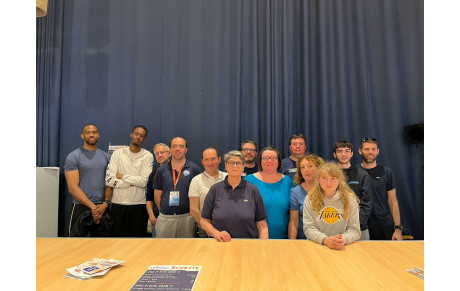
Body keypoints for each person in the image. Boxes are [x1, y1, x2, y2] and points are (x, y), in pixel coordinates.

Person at [200, 151, 268, 241]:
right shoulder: (215, 189)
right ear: (226, 165)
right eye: (231, 163)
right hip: (220, 244)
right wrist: (216, 233)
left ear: (243, 166)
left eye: (238, 163)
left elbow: (262, 225)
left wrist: (263, 246)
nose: (235, 166)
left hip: (248, 245)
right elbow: (204, 221)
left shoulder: (253, 190)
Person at [105, 125, 153, 237]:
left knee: (138, 243)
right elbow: (109, 180)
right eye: (136, 134)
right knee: (117, 242)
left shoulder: (148, 156)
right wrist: (131, 183)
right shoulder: (118, 154)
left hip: (139, 206)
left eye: (142, 136)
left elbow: (144, 182)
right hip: (118, 205)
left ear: (144, 139)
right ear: (131, 135)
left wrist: (122, 176)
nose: (138, 137)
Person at [64, 124, 112, 237]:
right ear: (82, 135)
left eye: (94, 132)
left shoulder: (106, 157)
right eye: (88, 132)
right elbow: (73, 188)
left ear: (98, 135)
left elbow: (110, 182)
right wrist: (93, 208)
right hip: (81, 207)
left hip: (102, 208)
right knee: (74, 246)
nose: (91, 135)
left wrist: (105, 204)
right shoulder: (74, 157)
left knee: (103, 247)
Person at [303, 162, 361, 249]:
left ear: (339, 180)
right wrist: (325, 240)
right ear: (318, 180)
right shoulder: (310, 199)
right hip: (318, 246)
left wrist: (342, 239)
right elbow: (308, 228)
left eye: (333, 178)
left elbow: (354, 230)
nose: (328, 182)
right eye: (324, 178)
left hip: (343, 246)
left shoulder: (350, 200)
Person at [151, 137, 201, 238]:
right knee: (164, 250)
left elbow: (199, 195)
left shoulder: (194, 169)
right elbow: (157, 196)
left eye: (181, 146)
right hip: (165, 218)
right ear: (170, 150)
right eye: (174, 146)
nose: (178, 149)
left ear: (186, 150)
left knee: (186, 251)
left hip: (187, 218)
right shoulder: (161, 171)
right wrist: (165, 211)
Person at [358, 138, 403, 240]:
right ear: (360, 151)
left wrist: (398, 228)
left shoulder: (387, 172)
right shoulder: (354, 172)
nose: (370, 152)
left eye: (373, 149)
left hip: (383, 225)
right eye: (367, 149)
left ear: (377, 151)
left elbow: (393, 201)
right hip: (360, 225)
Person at [245, 146, 294, 238]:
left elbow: (293, 214)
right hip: (255, 238)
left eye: (273, 158)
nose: (270, 161)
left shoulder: (288, 181)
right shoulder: (249, 180)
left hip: (283, 238)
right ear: (260, 161)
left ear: (279, 161)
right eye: (266, 158)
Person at [333, 140, 373, 240]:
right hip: (334, 228)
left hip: (359, 228)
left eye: (347, 151)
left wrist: (355, 224)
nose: (343, 154)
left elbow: (367, 203)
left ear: (352, 154)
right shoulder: (329, 175)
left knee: (361, 255)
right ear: (334, 154)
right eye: (339, 151)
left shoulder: (362, 174)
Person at [189, 148, 228, 238]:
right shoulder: (196, 180)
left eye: (213, 159)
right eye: (206, 160)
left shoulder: (228, 178)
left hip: (227, 228)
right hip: (205, 231)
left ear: (219, 159)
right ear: (202, 162)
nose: (210, 163)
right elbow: (194, 209)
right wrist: (209, 228)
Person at [288, 154, 324, 239]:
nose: (306, 170)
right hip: (304, 240)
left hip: (326, 239)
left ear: (319, 168)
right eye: (302, 167)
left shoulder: (327, 187)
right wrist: (291, 243)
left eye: (310, 166)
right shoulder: (296, 191)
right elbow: (294, 222)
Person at [146, 143, 171, 237]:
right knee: (158, 249)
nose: (160, 155)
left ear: (170, 153)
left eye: (162, 152)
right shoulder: (153, 175)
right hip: (157, 218)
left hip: (175, 217)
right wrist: (151, 216)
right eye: (157, 154)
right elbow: (149, 198)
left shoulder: (178, 172)